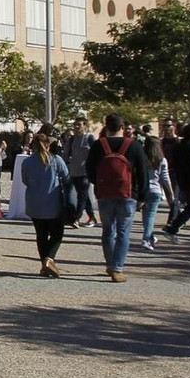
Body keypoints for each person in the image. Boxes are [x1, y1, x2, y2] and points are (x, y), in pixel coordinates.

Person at [86, 113, 150, 282]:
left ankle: (110, 264)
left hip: (105, 194)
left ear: (106, 127)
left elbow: (90, 170)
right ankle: (118, 267)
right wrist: (142, 196)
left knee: (108, 231)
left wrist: (99, 184)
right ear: (123, 128)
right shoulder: (134, 146)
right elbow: (143, 173)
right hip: (128, 194)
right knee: (123, 232)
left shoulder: (99, 145)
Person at [21, 125, 71, 277]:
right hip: (53, 202)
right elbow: (67, 178)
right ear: (49, 145)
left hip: (34, 203)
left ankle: (45, 263)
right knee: (57, 233)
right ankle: (49, 259)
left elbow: (25, 181)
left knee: (41, 234)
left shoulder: (27, 162)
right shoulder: (56, 160)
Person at [137, 134, 172, 253]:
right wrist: (170, 193)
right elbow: (165, 178)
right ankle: (147, 238)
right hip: (156, 190)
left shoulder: (141, 158)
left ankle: (149, 236)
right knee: (150, 215)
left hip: (143, 189)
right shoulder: (161, 160)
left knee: (145, 215)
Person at [62, 119, 98, 227]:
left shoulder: (90, 138)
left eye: (79, 125)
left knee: (81, 195)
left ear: (85, 126)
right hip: (73, 171)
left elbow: (96, 153)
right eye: (75, 125)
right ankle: (91, 216)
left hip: (85, 172)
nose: (77, 127)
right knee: (83, 195)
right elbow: (66, 153)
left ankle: (76, 217)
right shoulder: (72, 139)